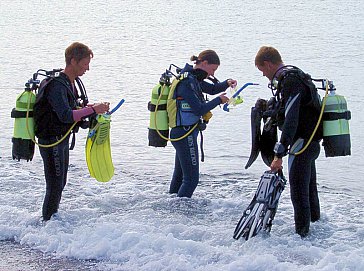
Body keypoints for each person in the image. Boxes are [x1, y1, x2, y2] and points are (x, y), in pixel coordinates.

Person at [33, 42, 110, 221]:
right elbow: (66, 115)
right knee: (55, 184)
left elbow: (72, 107)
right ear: (73, 61)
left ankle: (51, 222)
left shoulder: (70, 83)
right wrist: (93, 110)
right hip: (51, 140)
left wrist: (91, 107)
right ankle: (47, 225)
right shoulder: (57, 85)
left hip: (61, 139)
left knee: (60, 183)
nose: (87, 69)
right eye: (85, 64)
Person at [254, 46, 322, 237]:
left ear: (268, 64)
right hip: (311, 143)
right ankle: (317, 232)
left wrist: (279, 155)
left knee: (299, 194)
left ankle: (303, 239)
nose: (264, 75)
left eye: (262, 70)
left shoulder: (290, 81)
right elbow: (289, 111)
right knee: (309, 190)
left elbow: (291, 119)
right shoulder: (296, 75)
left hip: (302, 145)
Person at [169, 49, 237, 198]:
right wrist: (219, 100)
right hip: (184, 134)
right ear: (204, 63)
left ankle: (171, 210)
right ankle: (179, 215)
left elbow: (212, 89)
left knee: (180, 177)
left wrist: (227, 83)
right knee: (191, 180)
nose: (212, 74)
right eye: (212, 69)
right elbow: (199, 109)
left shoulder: (191, 78)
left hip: (182, 133)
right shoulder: (187, 82)